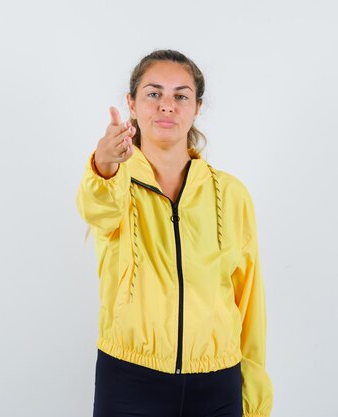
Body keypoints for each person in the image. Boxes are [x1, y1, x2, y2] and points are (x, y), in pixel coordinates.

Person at [76, 49, 273, 417]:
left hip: (218, 383)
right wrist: (104, 165)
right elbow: (96, 209)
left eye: (180, 96)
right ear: (131, 104)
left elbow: (249, 301)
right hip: (129, 380)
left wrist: (254, 395)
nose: (167, 106)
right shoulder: (114, 182)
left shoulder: (231, 194)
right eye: (154, 93)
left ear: (197, 108)